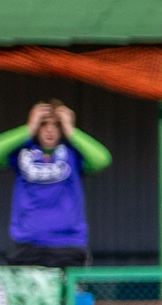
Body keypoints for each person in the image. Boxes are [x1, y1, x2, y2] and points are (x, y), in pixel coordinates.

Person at [3, 101, 110, 268]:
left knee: (67, 294)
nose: (50, 130)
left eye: (56, 125)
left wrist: (72, 130)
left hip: (68, 245)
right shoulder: (22, 153)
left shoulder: (73, 154)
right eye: (44, 124)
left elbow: (102, 159)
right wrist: (28, 128)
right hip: (27, 244)